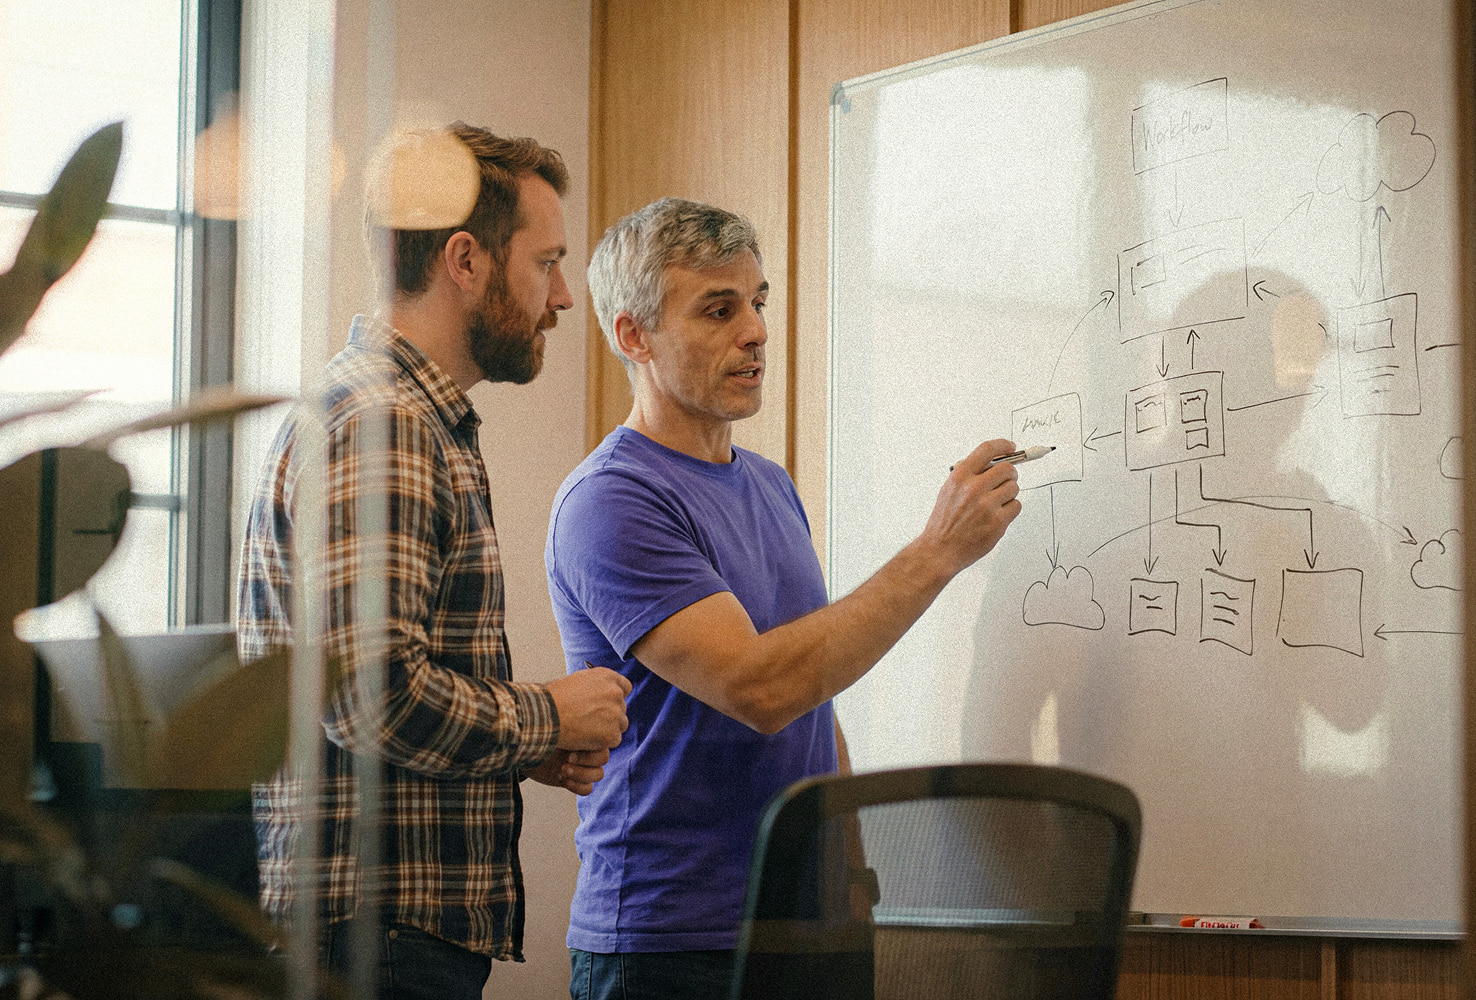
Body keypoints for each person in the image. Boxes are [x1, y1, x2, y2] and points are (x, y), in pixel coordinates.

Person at [544, 197, 1023, 1000]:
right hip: (673, 943)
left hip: (810, 929)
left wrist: (854, 881)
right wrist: (938, 551)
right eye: (719, 309)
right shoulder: (613, 499)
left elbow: (813, 687)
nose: (757, 331)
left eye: (758, 303)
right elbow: (760, 688)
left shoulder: (769, 485)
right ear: (633, 336)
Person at [236, 124, 632, 1000]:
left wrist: (520, 747)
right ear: (466, 260)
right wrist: (543, 716)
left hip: (383, 934)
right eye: (547, 261)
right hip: (379, 940)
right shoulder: (387, 426)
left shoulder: (397, 416)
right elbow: (371, 697)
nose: (563, 297)